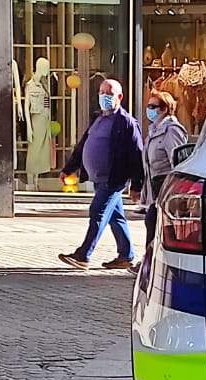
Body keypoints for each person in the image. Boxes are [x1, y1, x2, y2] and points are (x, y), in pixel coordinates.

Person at [58, 79, 144, 271]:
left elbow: (137, 155)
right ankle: (126, 255)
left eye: (109, 93)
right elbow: (82, 147)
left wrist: (137, 185)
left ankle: (83, 254)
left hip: (114, 179)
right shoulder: (98, 119)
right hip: (99, 178)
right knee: (116, 216)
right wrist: (68, 168)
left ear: (119, 97)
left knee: (97, 212)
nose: (104, 96)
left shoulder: (127, 123)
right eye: (101, 92)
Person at [138, 90, 187, 272]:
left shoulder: (171, 130)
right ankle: (150, 263)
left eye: (153, 107)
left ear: (165, 109)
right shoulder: (153, 130)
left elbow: (178, 161)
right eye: (148, 106)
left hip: (166, 185)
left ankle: (151, 264)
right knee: (153, 223)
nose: (149, 110)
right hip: (154, 185)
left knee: (155, 222)